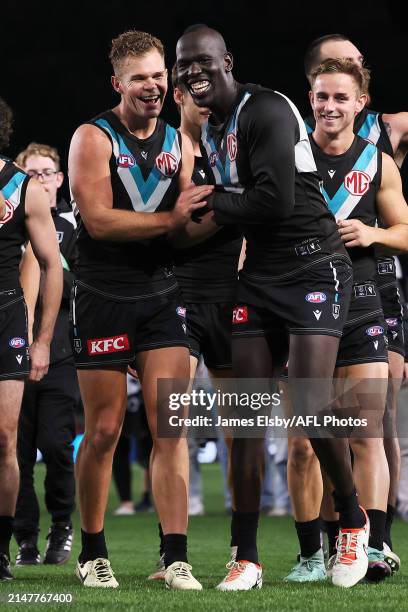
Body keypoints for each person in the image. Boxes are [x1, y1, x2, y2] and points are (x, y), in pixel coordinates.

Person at [176, 25, 368, 590]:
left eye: (203, 61)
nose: (193, 73)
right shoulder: (211, 127)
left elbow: (272, 199)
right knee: (246, 420)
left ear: (227, 60)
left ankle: (352, 520)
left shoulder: (267, 110)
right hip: (258, 279)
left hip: (313, 265)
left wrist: (211, 200)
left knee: (309, 405)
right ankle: (248, 557)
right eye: (184, 65)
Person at [69, 30, 213, 589]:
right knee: (103, 431)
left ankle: (174, 557)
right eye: (139, 78)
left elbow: (188, 222)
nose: (152, 86)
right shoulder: (92, 136)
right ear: (117, 83)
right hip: (102, 296)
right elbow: (99, 220)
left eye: (159, 75)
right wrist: (173, 221)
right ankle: (93, 552)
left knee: (170, 429)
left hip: (163, 296)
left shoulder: (181, 139)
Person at [285, 58, 408, 584]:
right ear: (309, 99)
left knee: (365, 432)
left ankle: (373, 545)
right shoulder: (289, 156)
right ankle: (312, 554)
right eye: (321, 96)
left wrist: (373, 234)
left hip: (362, 304)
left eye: (341, 97)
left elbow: (404, 229)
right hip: (300, 309)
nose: (329, 106)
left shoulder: (378, 162)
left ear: (361, 104)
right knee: (302, 440)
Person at [0, 98, 62, 580]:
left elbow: (51, 267)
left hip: (5, 321)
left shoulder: (23, 188)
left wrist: (41, 339)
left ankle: (2, 548)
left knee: (5, 441)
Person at [13, 143, 79, 566]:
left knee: (56, 446)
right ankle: (23, 539)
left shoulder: (78, 228)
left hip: (60, 354)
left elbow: (84, 286)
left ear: (59, 179)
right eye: (30, 172)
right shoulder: (10, 224)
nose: (38, 179)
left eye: (45, 172)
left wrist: (44, 263)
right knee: (13, 453)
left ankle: (61, 526)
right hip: (13, 354)